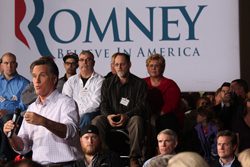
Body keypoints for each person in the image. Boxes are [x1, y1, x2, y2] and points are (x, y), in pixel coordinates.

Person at [3, 57, 82, 166]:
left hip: (66, 164)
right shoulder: (32, 108)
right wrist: (12, 136)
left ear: (54, 79)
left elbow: (70, 132)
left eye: (42, 75)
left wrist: (43, 121)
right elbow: (23, 147)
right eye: (34, 76)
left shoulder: (66, 102)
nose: (37, 81)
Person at [92, 52, 147, 167]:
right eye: (116, 64)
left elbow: (141, 106)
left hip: (129, 118)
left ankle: (134, 157)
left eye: (122, 64)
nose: (119, 67)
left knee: (137, 120)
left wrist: (126, 116)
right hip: (110, 118)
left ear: (129, 65)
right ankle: (103, 155)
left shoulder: (140, 83)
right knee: (97, 121)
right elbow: (103, 103)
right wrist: (108, 116)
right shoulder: (107, 83)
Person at [0, 52, 29, 163]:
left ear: (16, 65)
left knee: (7, 119)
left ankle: (4, 157)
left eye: (12, 63)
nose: (9, 66)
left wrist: (8, 111)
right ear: (1, 65)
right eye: (6, 63)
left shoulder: (24, 83)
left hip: (14, 117)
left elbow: (24, 105)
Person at [63, 50, 104, 128]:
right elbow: (66, 101)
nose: (84, 62)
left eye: (88, 60)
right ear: (78, 63)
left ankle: (79, 138)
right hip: (72, 114)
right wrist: (74, 115)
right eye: (81, 60)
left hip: (91, 114)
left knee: (86, 117)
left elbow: (96, 103)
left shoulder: (100, 80)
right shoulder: (71, 81)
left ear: (93, 63)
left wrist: (79, 115)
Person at [144, 53, 182, 135]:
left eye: (157, 66)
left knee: (165, 120)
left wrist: (156, 115)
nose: (153, 68)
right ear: (147, 68)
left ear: (163, 67)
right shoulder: (141, 83)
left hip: (165, 116)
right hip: (146, 115)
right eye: (151, 66)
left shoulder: (170, 84)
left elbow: (171, 105)